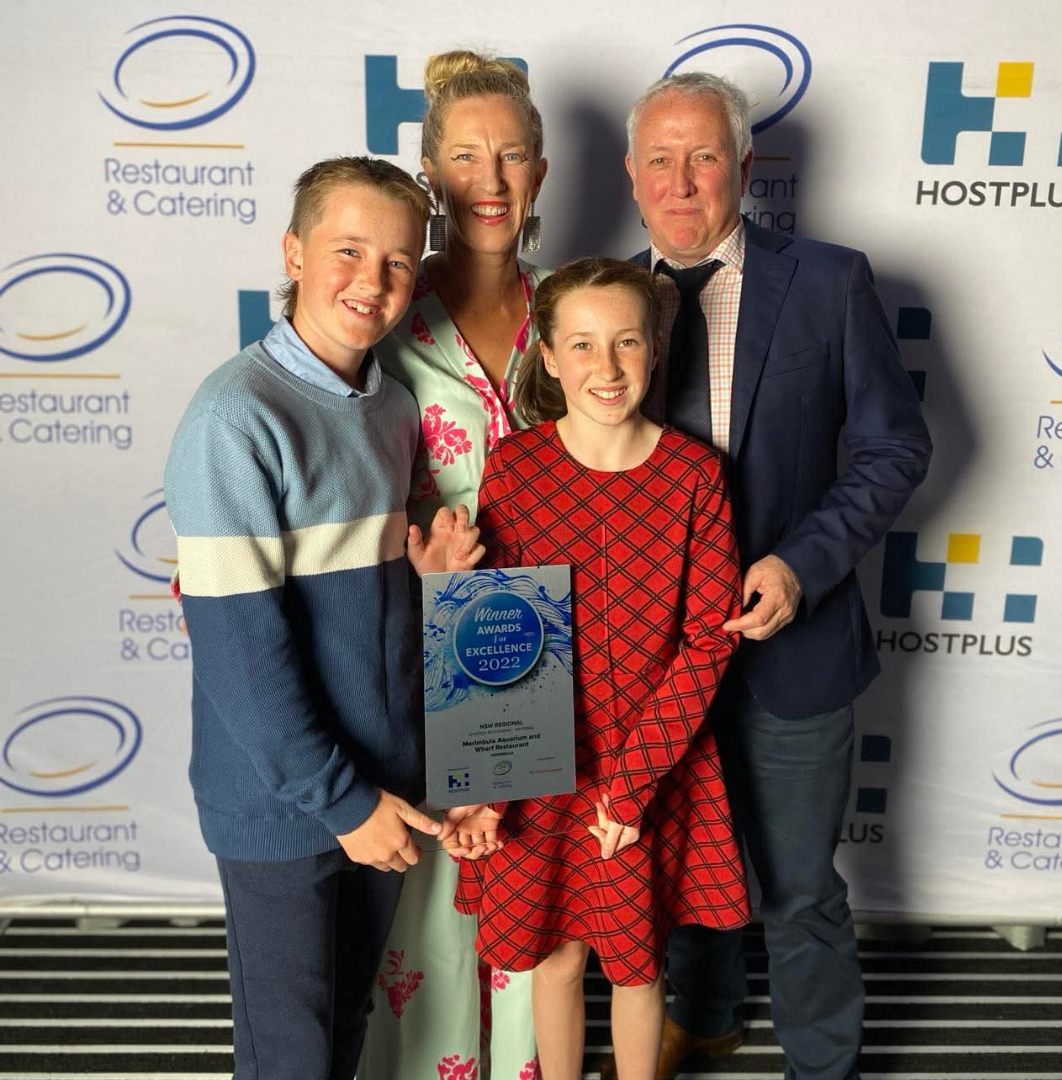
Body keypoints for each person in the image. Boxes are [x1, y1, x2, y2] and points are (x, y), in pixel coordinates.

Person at [602, 73, 933, 1080]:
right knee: (678, 871)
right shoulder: (600, 301)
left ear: (744, 168)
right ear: (631, 173)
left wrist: (800, 564)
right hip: (654, 665)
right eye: (659, 158)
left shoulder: (829, 282)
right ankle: (701, 1018)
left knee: (797, 888)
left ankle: (824, 1066)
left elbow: (893, 449)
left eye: (704, 157)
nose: (682, 180)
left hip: (792, 650)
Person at [163, 156, 485, 1080]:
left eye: (397, 262)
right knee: (290, 1055)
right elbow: (241, 652)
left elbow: (352, 612)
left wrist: (420, 586)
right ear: (294, 251)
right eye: (348, 250)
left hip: (379, 783)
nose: (372, 282)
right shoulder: (236, 417)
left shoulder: (386, 405)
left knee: (343, 1033)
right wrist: (342, 803)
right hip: (290, 799)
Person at [450, 257, 750, 1080]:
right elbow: (491, 633)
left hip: (647, 764)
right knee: (553, 957)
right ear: (547, 356)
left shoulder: (695, 476)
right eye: (581, 345)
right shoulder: (515, 467)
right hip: (540, 763)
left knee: (635, 964)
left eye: (626, 342)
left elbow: (708, 640)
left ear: (655, 350)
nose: (606, 367)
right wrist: (482, 777)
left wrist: (635, 780)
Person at [357, 50, 549, 1080]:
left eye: (512, 155)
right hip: (420, 645)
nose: (490, 178)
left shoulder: (576, 312)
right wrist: (412, 559)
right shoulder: (381, 316)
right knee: (432, 880)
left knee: (528, 884)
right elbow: (325, 485)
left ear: (542, 176)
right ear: (430, 175)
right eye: (466, 156)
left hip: (552, 654)